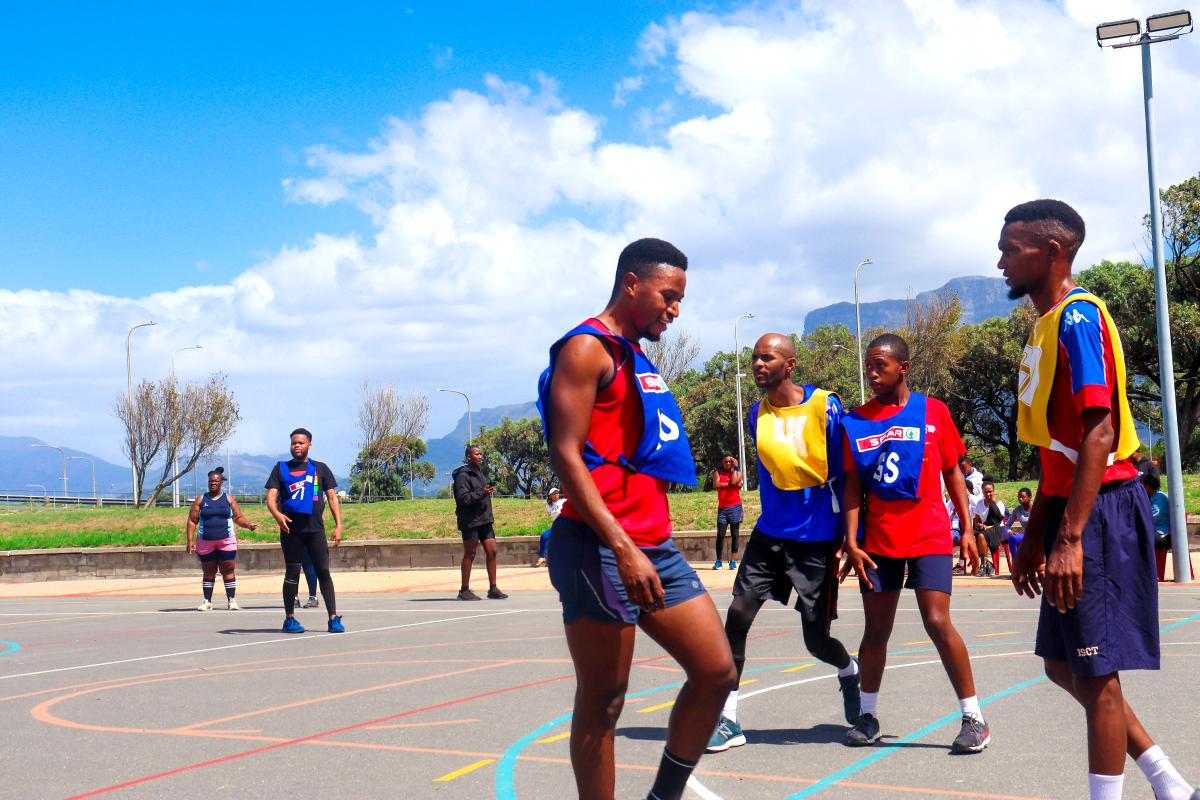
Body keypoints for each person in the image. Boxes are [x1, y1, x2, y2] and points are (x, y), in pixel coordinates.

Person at [1002, 198, 1198, 800]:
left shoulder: (1079, 320)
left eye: (1012, 248)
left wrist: (1068, 537)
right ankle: (1170, 784)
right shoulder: (1043, 326)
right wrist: (1036, 531)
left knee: (1097, 673)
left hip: (1102, 511)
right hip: (1068, 510)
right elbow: (1054, 451)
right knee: (1063, 666)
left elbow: (1100, 432)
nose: (1002, 260)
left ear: (1052, 251)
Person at [538, 237, 736, 800]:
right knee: (605, 699)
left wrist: (640, 543)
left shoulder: (635, 356)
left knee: (716, 671)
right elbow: (565, 454)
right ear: (632, 284)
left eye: (679, 301)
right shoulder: (585, 349)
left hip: (654, 543)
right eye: (668, 297)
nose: (674, 310)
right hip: (599, 547)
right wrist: (621, 546)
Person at [706, 333, 860, 754]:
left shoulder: (825, 406)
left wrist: (850, 536)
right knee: (736, 617)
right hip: (771, 532)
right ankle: (730, 719)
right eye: (754, 357)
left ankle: (848, 669)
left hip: (816, 538)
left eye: (766, 357)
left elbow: (844, 473)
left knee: (816, 641)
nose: (757, 364)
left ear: (790, 364)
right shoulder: (758, 411)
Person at [839, 333, 989, 754]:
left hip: (930, 535)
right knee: (876, 631)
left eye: (880, 366)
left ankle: (974, 717)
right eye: (868, 365)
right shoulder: (855, 421)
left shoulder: (934, 411)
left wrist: (969, 530)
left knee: (937, 622)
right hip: (879, 542)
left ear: (903, 367)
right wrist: (851, 540)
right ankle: (867, 716)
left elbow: (953, 473)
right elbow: (851, 485)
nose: (872, 373)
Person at [265, 428, 345, 634]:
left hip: (315, 530)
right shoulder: (280, 469)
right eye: (293, 443)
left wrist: (338, 525)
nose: (297, 446)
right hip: (291, 531)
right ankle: (289, 619)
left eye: (301, 442)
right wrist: (277, 515)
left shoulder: (320, 469)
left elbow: (332, 498)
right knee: (292, 573)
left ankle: (333, 619)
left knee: (323, 572)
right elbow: (271, 498)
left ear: (309, 444)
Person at [186, 466, 257, 611]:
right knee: (208, 571)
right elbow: (192, 521)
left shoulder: (228, 499)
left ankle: (231, 600)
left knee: (228, 569)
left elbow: (238, 517)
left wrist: (248, 525)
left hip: (226, 541)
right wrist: (189, 541)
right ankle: (207, 602)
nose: (213, 483)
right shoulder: (201, 500)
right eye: (211, 481)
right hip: (205, 541)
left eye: (216, 481)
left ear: (221, 483)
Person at [452, 445, 507, 600]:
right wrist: (482, 492)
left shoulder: (479, 473)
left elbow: (479, 494)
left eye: (481, 454)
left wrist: (485, 491)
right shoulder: (463, 475)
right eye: (477, 454)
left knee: (492, 551)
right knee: (470, 553)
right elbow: (463, 498)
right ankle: (464, 590)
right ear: (468, 457)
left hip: (485, 520)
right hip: (470, 521)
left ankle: (493, 588)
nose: (481, 456)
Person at [1143, 471, 1193, 582]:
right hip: (1160, 531)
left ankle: (1149, 574)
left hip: (1163, 534)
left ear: (1149, 486)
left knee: (1140, 538)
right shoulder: (1156, 496)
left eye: (1144, 486)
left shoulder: (1158, 498)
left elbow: (1152, 517)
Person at [712, 454, 743, 570]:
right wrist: (731, 484)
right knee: (720, 535)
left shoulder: (736, 472)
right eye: (726, 461)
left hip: (735, 507)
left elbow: (739, 485)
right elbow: (717, 484)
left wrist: (736, 469)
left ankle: (733, 561)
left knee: (735, 534)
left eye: (731, 461)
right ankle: (718, 561)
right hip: (723, 509)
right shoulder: (717, 472)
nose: (728, 463)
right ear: (722, 462)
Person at [972, 481, 1007, 577]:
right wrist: (979, 524)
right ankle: (986, 563)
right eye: (985, 492)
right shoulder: (980, 503)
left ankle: (983, 565)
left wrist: (987, 527)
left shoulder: (998, 503)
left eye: (990, 491)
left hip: (996, 529)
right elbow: (976, 519)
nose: (988, 494)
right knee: (974, 537)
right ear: (982, 492)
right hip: (984, 528)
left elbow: (999, 521)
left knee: (981, 535)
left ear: (994, 490)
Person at [536, 487, 566, 567]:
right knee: (544, 536)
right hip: (556, 525)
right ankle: (542, 557)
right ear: (550, 496)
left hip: (565, 524)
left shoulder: (564, 501)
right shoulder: (549, 505)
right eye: (554, 494)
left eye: (557, 493)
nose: (556, 495)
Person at [1006, 487, 1033, 559]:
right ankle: (1016, 563)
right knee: (1012, 538)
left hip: (1036, 536)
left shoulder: (1036, 508)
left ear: (1029, 497)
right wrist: (1009, 531)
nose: (1020, 499)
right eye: (1019, 497)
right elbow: (1007, 524)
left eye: (1022, 497)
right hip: (1024, 536)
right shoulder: (1017, 510)